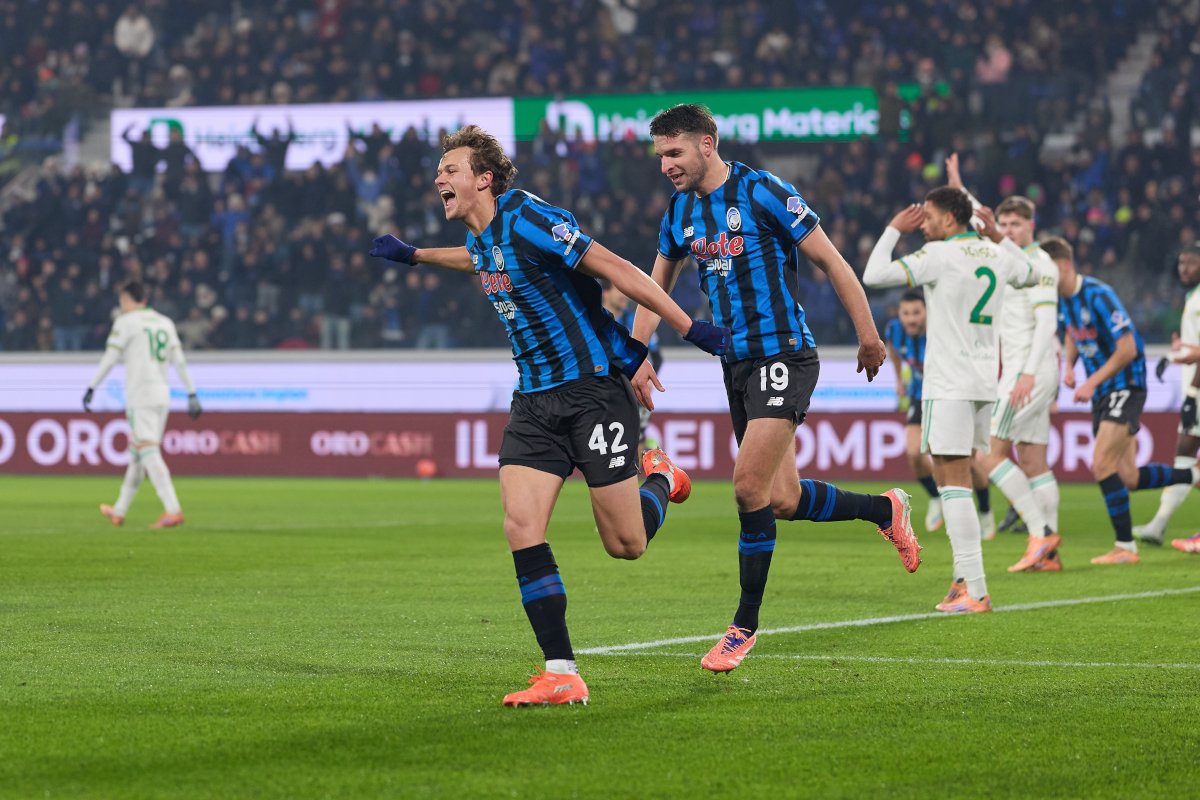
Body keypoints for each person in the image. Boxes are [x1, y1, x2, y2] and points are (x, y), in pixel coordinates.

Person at [367, 124, 731, 706]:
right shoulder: (484, 236)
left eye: (451, 169)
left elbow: (617, 269)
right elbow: (476, 260)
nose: (439, 178)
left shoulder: (528, 217)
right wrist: (415, 255)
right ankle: (561, 671)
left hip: (593, 392)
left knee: (626, 544)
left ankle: (661, 477)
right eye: (439, 171)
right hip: (534, 402)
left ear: (484, 179)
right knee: (521, 527)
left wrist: (689, 327)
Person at [629, 103, 919, 674]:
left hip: (784, 353)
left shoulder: (763, 191)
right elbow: (652, 289)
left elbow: (832, 261)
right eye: (660, 155)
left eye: (675, 152)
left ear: (707, 144)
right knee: (781, 499)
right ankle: (884, 508)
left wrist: (868, 335)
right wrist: (636, 354)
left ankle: (743, 627)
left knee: (746, 487)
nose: (666, 165)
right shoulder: (679, 212)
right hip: (735, 364)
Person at [865, 189, 1040, 613]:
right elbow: (1031, 273)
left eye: (929, 217)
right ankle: (964, 581)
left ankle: (975, 590)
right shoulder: (995, 253)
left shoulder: (938, 255)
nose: (923, 224)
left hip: (948, 383)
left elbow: (873, 275)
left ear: (949, 219)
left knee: (951, 479)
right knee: (955, 476)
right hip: (983, 381)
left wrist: (893, 228)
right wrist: (999, 236)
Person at [1048, 236, 1199, 564]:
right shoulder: (1061, 299)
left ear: (1064, 265)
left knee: (1101, 463)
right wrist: (1069, 366)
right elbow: (1072, 332)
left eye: (1046, 270)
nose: (1042, 277)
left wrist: (1091, 381)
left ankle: (1125, 547)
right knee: (1128, 476)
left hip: (1126, 384)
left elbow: (1128, 348)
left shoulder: (1098, 295)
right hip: (1104, 391)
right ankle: (1195, 476)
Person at [83, 280, 202, 529]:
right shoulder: (165, 322)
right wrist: (191, 393)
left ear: (126, 300)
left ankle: (173, 509)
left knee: (148, 450)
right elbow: (179, 361)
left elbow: (110, 358)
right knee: (138, 453)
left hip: (140, 395)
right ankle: (119, 510)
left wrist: (92, 386)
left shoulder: (126, 322)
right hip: (162, 394)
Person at [1134, 243, 1200, 545]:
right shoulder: (1192, 297)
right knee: (1183, 455)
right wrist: (1178, 352)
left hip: (1197, 390)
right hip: (1194, 388)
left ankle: (1159, 525)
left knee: (1185, 456)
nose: (1184, 269)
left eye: (1191, 263)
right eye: (1181, 263)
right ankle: (1158, 524)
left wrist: (1193, 394)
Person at [884, 289, 943, 532]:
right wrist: (899, 379)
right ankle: (936, 497)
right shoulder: (894, 330)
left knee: (960, 459)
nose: (911, 319)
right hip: (919, 396)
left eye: (916, 313)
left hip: (946, 396)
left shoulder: (940, 330)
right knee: (914, 453)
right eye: (906, 313)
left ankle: (984, 509)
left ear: (927, 312)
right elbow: (893, 351)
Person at [601, 280, 662, 451]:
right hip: (603, 391)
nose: (625, 295)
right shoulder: (591, 321)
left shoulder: (635, 321)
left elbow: (657, 357)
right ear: (605, 292)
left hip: (634, 390)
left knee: (636, 437)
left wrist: (647, 380)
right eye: (619, 290)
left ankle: (641, 459)